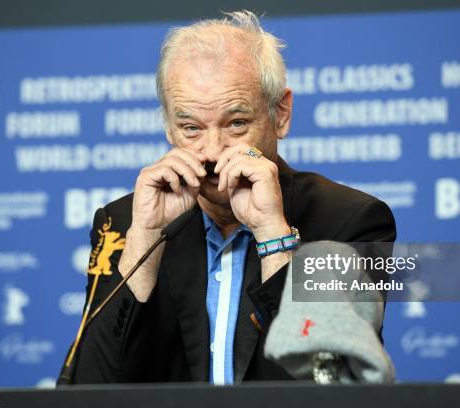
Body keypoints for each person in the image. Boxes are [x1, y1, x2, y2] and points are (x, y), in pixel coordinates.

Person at [65, 10, 396, 384]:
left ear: (281, 114)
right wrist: (145, 237)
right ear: (168, 126)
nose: (212, 150)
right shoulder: (124, 223)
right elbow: (88, 386)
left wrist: (273, 234)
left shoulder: (352, 221)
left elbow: (333, 383)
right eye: (190, 127)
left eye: (236, 123)